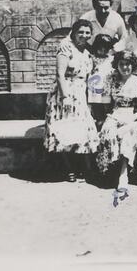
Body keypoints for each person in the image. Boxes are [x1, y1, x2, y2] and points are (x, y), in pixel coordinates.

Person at [44, 19, 99, 182]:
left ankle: (84, 169)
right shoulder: (66, 47)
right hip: (65, 93)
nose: (84, 35)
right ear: (74, 33)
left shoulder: (87, 51)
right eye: (80, 32)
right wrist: (66, 96)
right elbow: (60, 74)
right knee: (64, 129)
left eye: (87, 32)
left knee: (80, 130)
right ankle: (69, 170)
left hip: (81, 93)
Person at [95, 51, 137, 190]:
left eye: (128, 64)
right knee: (108, 131)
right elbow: (105, 102)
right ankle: (110, 171)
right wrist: (110, 117)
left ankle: (123, 174)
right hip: (115, 113)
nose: (125, 67)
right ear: (117, 65)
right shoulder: (111, 80)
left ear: (132, 65)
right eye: (121, 64)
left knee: (130, 133)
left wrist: (133, 118)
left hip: (133, 115)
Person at [87, 34, 115, 129]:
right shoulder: (91, 58)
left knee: (107, 110)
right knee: (96, 111)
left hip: (107, 89)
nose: (103, 50)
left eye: (106, 48)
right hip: (94, 89)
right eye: (101, 47)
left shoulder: (111, 59)